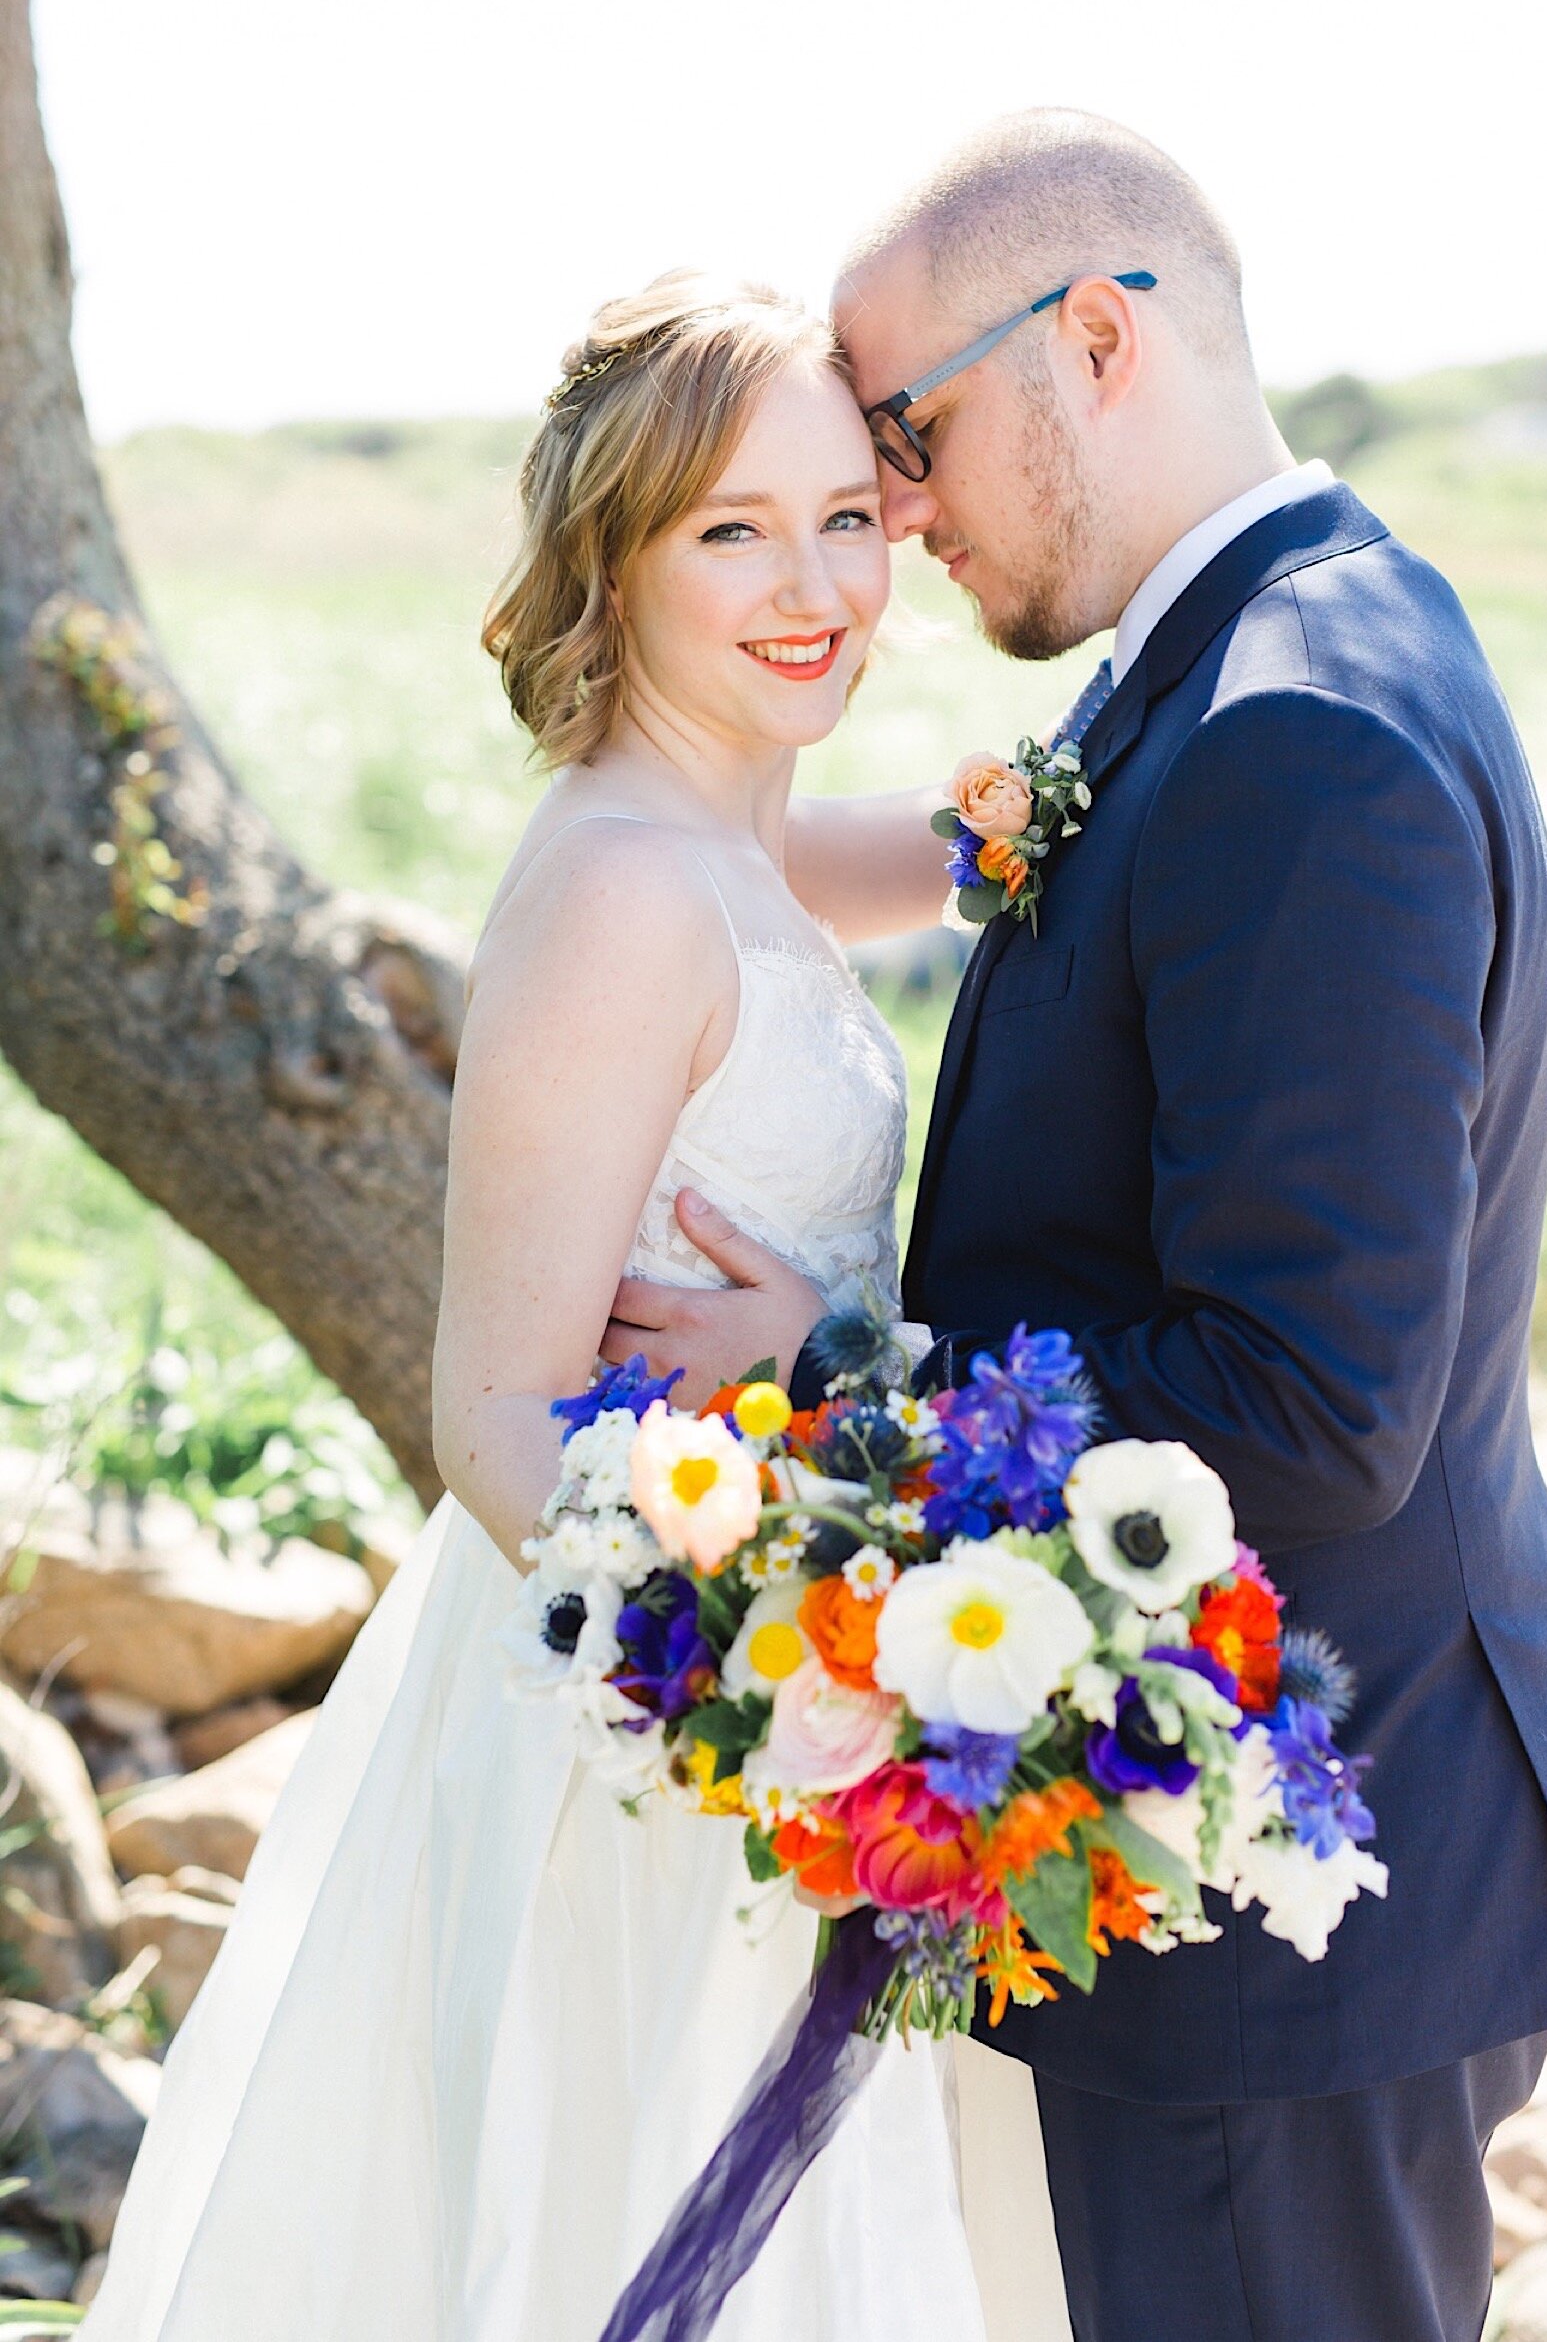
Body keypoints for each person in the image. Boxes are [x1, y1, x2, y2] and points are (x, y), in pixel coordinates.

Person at [619, 114, 1547, 2342]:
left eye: (906, 433)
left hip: (1286, 1907)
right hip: (1257, 1852)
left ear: (1095, 338)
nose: (892, 508)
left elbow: (1306, 1401)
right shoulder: (1272, 637)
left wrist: (821, 1375)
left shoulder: (1296, 729)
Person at [81, 271, 1049, 2342]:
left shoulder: (735, 817)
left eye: (849, 519)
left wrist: (1043, 821)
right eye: (732, 530)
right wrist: (788, 1692)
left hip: (788, 1628)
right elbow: (496, 1419)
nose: (817, 588)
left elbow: (855, 872)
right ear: (616, 554)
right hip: (671, 1711)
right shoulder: (621, 891)